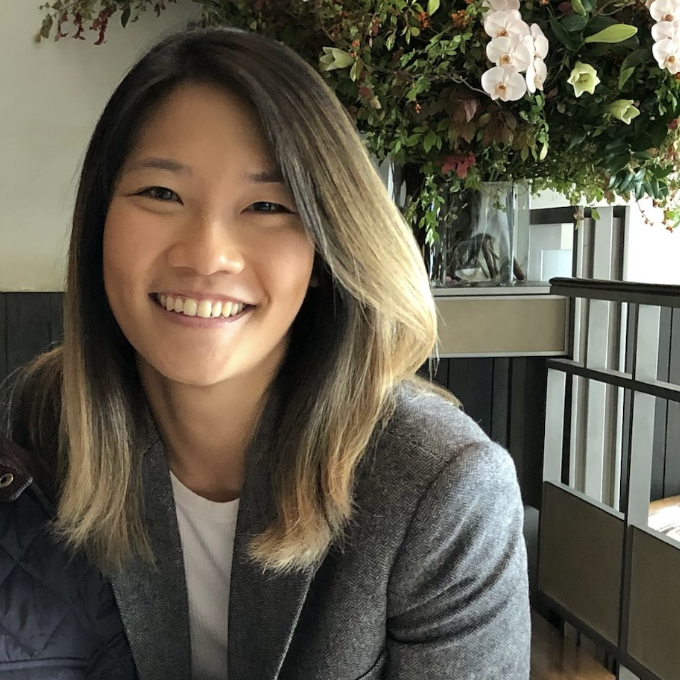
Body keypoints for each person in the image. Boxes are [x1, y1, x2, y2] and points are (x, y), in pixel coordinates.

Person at [0, 27, 530, 680]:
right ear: (99, 224)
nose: (207, 255)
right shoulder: (45, 419)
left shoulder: (443, 489)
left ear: (325, 249)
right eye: (161, 194)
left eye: (267, 205)